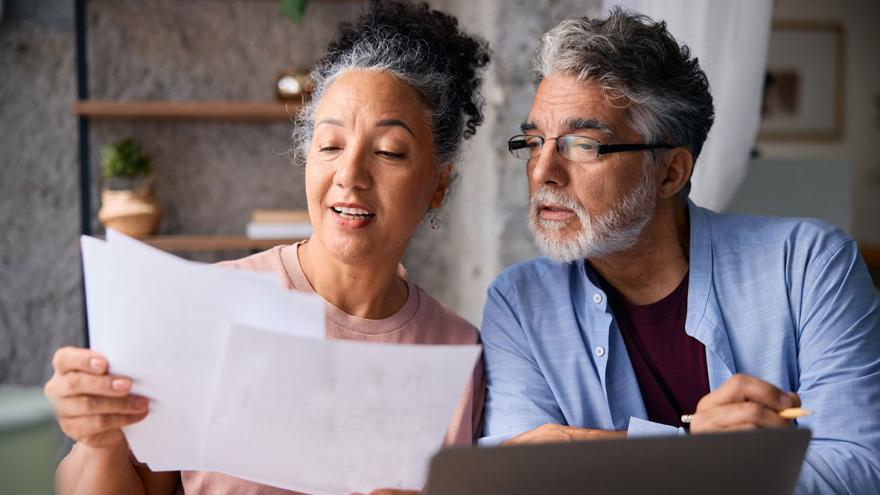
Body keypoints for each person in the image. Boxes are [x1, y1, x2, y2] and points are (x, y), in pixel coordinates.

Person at [44, 1, 490, 493]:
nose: (350, 175)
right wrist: (100, 440)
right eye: (330, 145)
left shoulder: (458, 353)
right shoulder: (206, 306)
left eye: (388, 152)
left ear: (438, 184)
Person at [479, 8, 880, 494]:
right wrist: (696, 455)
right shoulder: (519, 303)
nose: (543, 171)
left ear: (670, 172)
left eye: (583, 145)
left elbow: (859, 469)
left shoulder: (809, 264)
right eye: (535, 141)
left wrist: (609, 453)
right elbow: (517, 478)